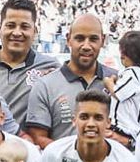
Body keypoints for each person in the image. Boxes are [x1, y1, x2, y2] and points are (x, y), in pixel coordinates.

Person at [23, 13, 114, 148]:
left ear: (103, 40)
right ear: (68, 39)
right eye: (80, 38)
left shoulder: (118, 81)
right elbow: (38, 137)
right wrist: (72, 158)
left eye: (93, 39)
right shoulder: (45, 85)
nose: (86, 46)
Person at [0, 0, 58, 126]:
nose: (17, 33)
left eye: (24, 26)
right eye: (10, 26)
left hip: (30, 145)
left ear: (35, 31)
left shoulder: (51, 68)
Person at [110, 31, 140, 146]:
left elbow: (116, 93)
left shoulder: (131, 73)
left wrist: (108, 82)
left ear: (123, 54)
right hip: (131, 131)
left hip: (123, 129)